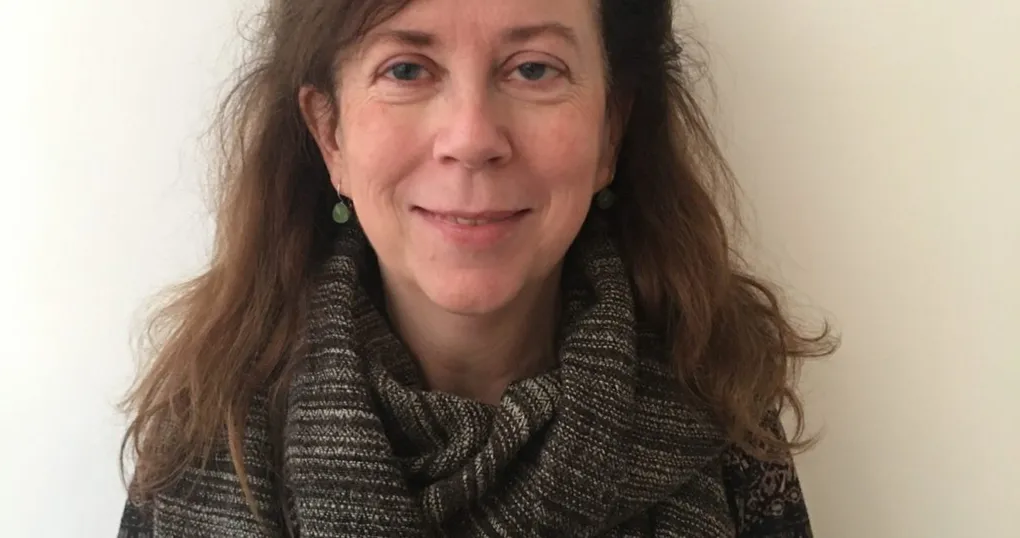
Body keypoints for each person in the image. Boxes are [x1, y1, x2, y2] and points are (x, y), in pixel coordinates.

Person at [117, 0, 836, 536]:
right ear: (330, 134)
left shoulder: (726, 415)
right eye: (406, 69)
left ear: (610, 132)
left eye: (533, 68)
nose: (471, 138)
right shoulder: (203, 434)